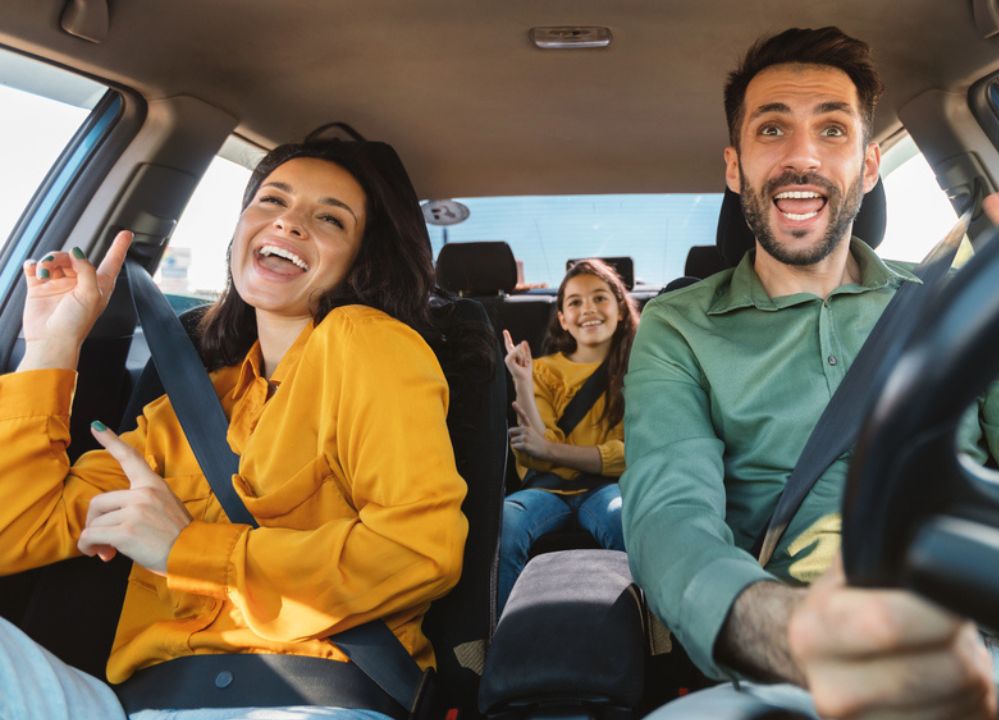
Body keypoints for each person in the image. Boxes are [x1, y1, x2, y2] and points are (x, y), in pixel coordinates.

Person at [621, 27, 999, 719]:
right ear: (735, 168)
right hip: (798, 668)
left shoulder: (966, 302)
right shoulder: (677, 327)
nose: (802, 157)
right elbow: (670, 520)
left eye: (833, 130)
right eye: (771, 130)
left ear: (869, 165)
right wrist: (801, 638)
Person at [0, 137, 487, 719]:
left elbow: (417, 552)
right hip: (131, 704)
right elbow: (15, 530)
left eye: (329, 217)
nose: (289, 221)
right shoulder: (185, 405)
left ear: (362, 258)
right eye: (272, 200)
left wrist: (187, 550)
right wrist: (54, 342)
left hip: (303, 696)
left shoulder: (366, 342)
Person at [497, 259, 638, 613]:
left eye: (599, 298)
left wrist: (553, 450)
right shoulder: (543, 370)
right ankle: (499, 640)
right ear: (562, 318)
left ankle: (648, 639)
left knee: (627, 518)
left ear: (620, 309)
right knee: (505, 523)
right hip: (546, 492)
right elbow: (535, 453)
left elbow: (636, 453)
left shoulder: (641, 368)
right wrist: (523, 384)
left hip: (608, 489)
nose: (587, 309)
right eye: (574, 302)